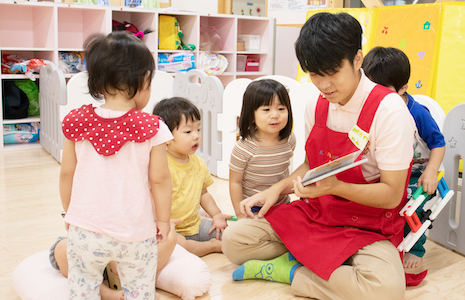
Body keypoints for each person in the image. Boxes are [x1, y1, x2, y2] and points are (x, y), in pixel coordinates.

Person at [221, 12, 420, 299]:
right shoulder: (317, 104)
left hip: (367, 226)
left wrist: (337, 187)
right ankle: (326, 266)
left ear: (357, 59)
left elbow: (391, 194)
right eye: (315, 74)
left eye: (332, 72)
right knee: (234, 241)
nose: (324, 85)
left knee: (385, 291)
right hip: (319, 213)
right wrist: (275, 190)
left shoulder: (389, 111)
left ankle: (292, 271)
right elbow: (311, 165)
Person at [59, 32, 173, 299]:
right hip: (135, 232)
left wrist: (69, 213)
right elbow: (160, 180)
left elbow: (67, 173)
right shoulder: (153, 127)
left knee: (82, 286)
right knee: (139, 289)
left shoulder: (77, 121)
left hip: (85, 229)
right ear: (144, 80)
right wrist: (164, 220)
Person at [362, 46, 446, 269]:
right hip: (390, 172)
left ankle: (415, 249)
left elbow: (438, 143)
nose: (376, 95)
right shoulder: (374, 108)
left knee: (412, 209)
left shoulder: (418, 113)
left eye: (383, 89)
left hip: (417, 177)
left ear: (402, 88)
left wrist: (430, 172)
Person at [152, 97, 231, 257]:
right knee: (180, 246)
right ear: (166, 137)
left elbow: (204, 193)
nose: (196, 136)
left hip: (195, 224)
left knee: (230, 234)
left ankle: (216, 242)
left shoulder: (198, 162)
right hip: (170, 229)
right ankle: (212, 247)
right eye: (188, 132)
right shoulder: (160, 164)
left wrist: (216, 215)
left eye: (198, 129)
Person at [49, 219, 182, 300]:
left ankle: (140, 284)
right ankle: (104, 292)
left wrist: (164, 222)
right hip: (90, 249)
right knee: (62, 248)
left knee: (170, 236)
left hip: (132, 252)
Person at [229, 79, 296, 218]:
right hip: (253, 208)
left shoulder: (289, 140)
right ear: (251, 115)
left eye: (281, 109)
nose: (275, 115)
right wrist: (240, 214)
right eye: (266, 109)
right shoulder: (244, 148)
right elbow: (235, 183)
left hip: (282, 204)